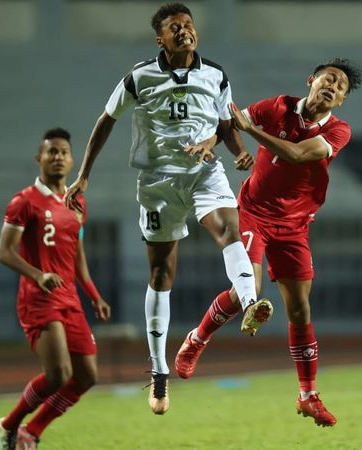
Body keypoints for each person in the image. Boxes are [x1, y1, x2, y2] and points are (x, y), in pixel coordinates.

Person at [65, 2, 271, 416]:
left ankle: (250, 302)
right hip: (158, 183)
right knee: (161, 273)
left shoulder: (216, 74)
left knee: (229, 229)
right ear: (160, 38)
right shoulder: (139, 77)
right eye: (175, 27)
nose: (184, 31)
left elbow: (226, 123)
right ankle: (159, 371)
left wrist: (241, 152)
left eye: (189, 25)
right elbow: (105, 121)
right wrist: (84, 174)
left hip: (203, 173)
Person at [174, 58, 362, 427]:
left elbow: (296, 154)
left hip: (295, 226)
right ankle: (196, 339)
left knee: (300, 310)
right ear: (311, 80)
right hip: (253, 214)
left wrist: (251, 132)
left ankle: (307, 395)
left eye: (340, 87)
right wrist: (211, 140)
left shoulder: (339, 131)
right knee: (249, 288)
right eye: (329, 79)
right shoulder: (276, 106)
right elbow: (231, 121)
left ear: (341, 101)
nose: (333, 87)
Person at [0, 127, 111, 450]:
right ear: (39, 158)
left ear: (72, 161)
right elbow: (4, 252)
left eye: (63, 152)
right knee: (59, 374)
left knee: (87, 376)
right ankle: (9, 425)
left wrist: (94, 295)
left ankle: (31, 431)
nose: (58, 157)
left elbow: (78, 255)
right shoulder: (24, 202)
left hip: (69, 298)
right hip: (38, 298)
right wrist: (37, 275)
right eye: (52, 152)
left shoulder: (77, 203)